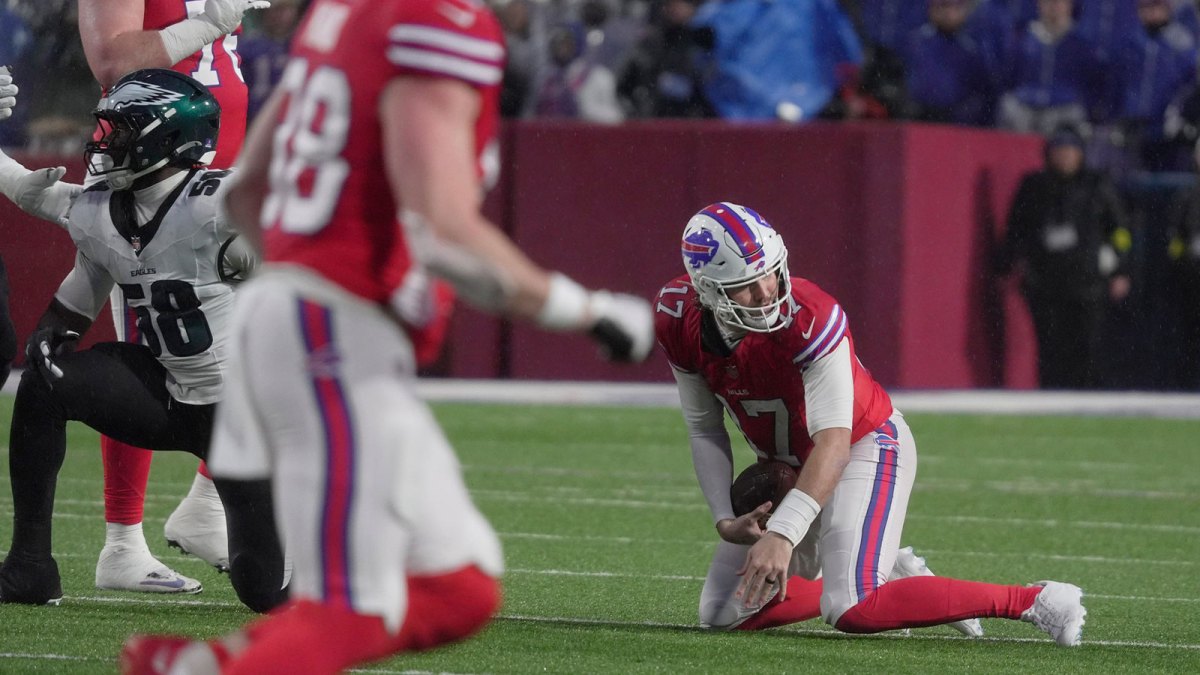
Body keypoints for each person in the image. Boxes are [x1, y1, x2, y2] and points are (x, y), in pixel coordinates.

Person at [119, 0, 654, 671]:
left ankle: (197, 666)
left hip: (303, 319)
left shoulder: (342, 14)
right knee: (347, 608)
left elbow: (246, 194)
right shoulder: (439, 22)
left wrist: (291, 296)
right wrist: (590, 310)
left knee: (459, 587)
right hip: (331, 332)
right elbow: (446, 230)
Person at [654, 201, 1087, 644]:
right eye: (746, 286)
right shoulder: (676, 318)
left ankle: (1036, 600)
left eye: (771, 272)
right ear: (707, 291)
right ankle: (893, 580)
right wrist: (725, 518)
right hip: (794, 466)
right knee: (722, 614)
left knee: (853, 608)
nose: (767, 291)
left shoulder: (809, 317)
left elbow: (835, 445)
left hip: (864, 446)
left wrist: (783, 535)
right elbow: (704, 427)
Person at [0, 68, 287, 613]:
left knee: (265, 592)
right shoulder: (99, 208)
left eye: (121, 130)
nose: (103, 143)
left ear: (167, 138)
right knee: (46, 377)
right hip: (166, 394)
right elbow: (71, 297)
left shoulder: (222, 206)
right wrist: (50, 336)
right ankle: (29, 566)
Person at [74, 0, 273, 594]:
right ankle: (120, 542)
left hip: (215, 169)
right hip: (152, 172)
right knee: (154, 352)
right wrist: (210, 22)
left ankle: (207, 507)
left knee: (258, 347)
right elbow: (111, 61)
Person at [996, 125, 1131, 389]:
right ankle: (1051, 403)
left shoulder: (1097, 185)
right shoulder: (1034, 187)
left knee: (1087, 348)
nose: (1065, 157)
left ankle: (1089, 403)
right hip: (1045, 284)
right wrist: (1004, 266)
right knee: (1051, 349)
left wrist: (1121, 269)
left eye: (1071, 151)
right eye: (1060, 150)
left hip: (1088, 284)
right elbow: (1016, 230)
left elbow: (1120, 230)